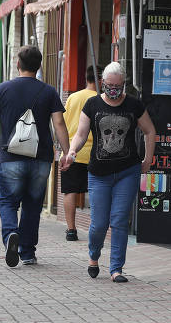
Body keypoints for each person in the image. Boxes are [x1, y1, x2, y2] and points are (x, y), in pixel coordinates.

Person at [61, 62, 155, 283]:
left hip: (127, 171)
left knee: (120, 220)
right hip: (99, 173)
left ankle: (116, 269)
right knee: (99, 223)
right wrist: (72, 152)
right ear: (102, 82)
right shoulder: (92, 105)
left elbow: (150, 130)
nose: (113, 89)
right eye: (109, 85)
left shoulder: (133, 105)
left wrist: (148, 159)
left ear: (124, 84)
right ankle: (94, 256)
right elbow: (81, 133)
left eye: (118, 85)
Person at [0, 45, 70, 268]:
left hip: (11, 156)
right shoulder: (49, 91)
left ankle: (11, 234)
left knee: (8, 201)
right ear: (39, 66)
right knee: (33, 205)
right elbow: (59, 123)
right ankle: (28, 252)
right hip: (40, 158)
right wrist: (66, 151)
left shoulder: (3, 89)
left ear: (18, 64)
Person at [61, 65, 100, 241]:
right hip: (95, 153)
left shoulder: (73, 98)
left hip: (72, 151)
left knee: (70, 191)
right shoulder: (101, 99)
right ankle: (96, 229)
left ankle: (71, 230)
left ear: (87, 78)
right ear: (101, 80)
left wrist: (63, 149)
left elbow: (64, 123)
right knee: (96, 191)